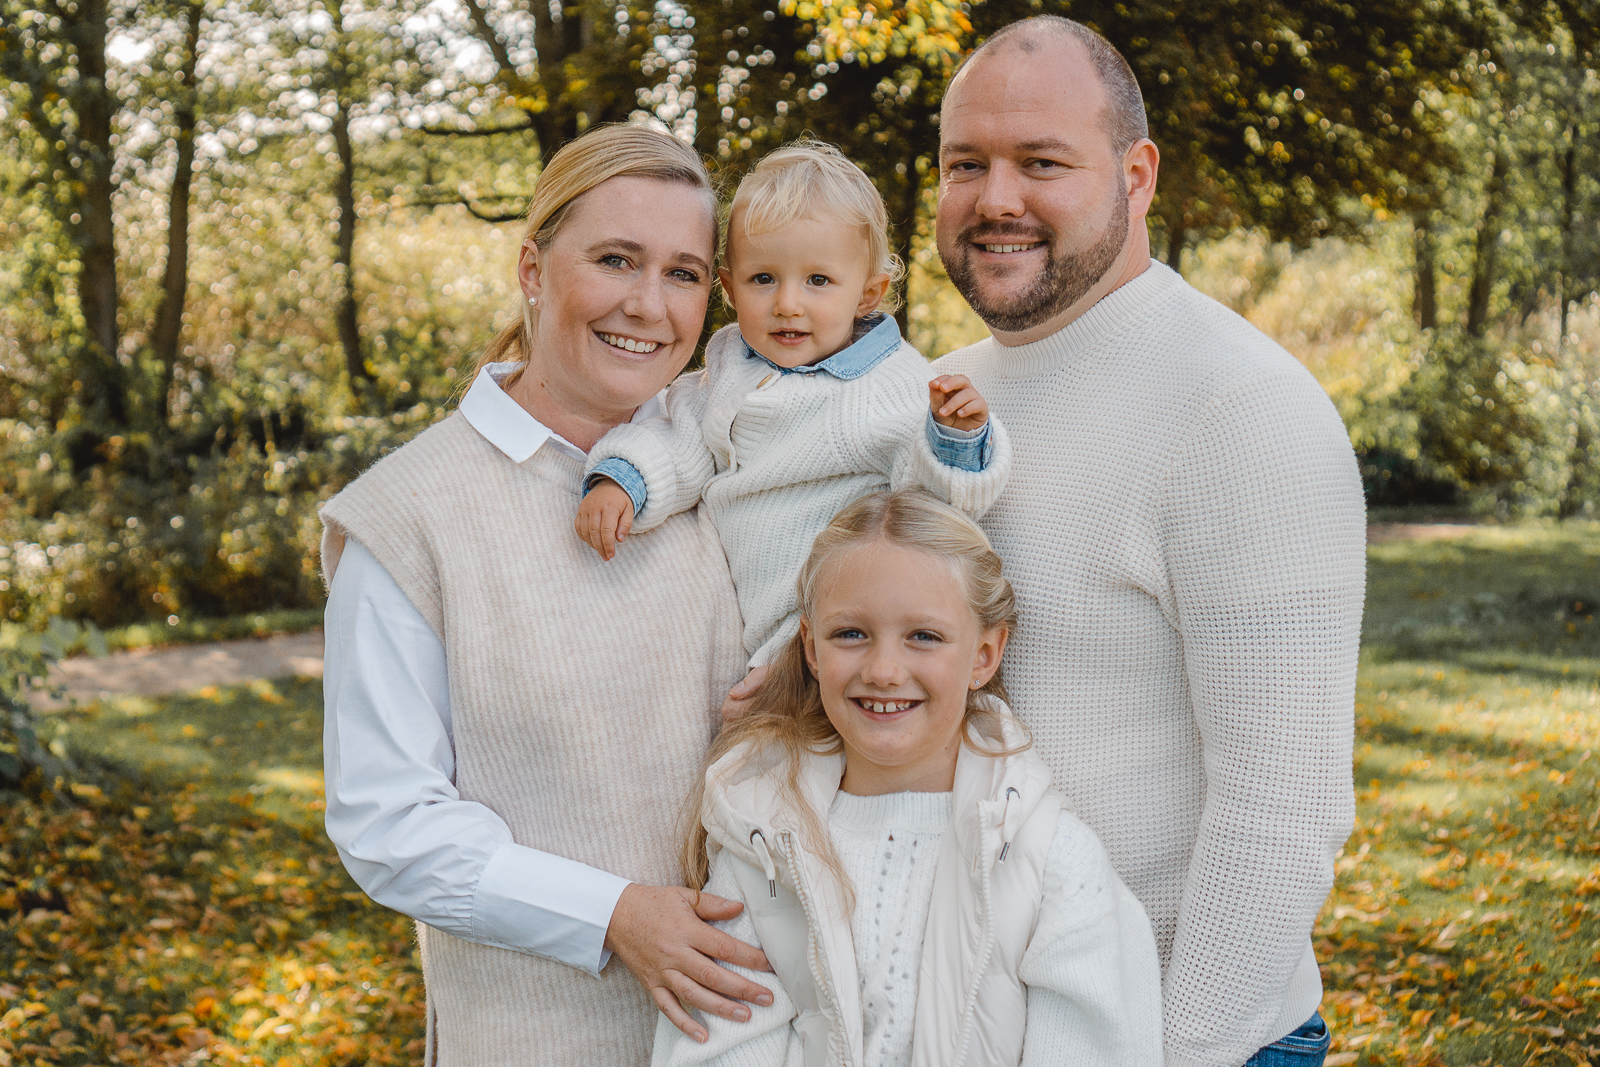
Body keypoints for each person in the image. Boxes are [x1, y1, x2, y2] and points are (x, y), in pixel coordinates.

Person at [930, 17, 1367, 1067]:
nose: (996, 198)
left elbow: (1281, 814)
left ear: (1137, 174)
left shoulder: (1238, 408)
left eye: (1042, 162)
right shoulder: (942, 398)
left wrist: (1177, 1050)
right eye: (964, 164)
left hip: (1179, 1036)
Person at [318, 124, 779, 1066]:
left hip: (761, 1033)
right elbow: (388, 824)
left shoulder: (737, 468)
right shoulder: (411, 516)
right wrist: (612, 915)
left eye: (686, 273)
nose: (649, 305)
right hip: (535, 1037)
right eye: (616, 259)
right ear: (532, 267)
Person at [652, 489, 1163, 1067]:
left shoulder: (1048, 858)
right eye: (850, 634)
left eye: (923, 636)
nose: (884, 670)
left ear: (984, 656)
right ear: (811, 649)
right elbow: (717, 1049)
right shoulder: (760, 846)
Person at [574, 140, 1011, 668]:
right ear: (730, 289)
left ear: (868, 294)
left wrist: (953, 440)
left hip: (840, 630)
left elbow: (932, 512)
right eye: (763, 279)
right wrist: (626, 478)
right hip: (749, 626)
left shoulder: (887, 382)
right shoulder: (733, 363)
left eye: (818, 281)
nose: (787, 303)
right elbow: (681, 433)